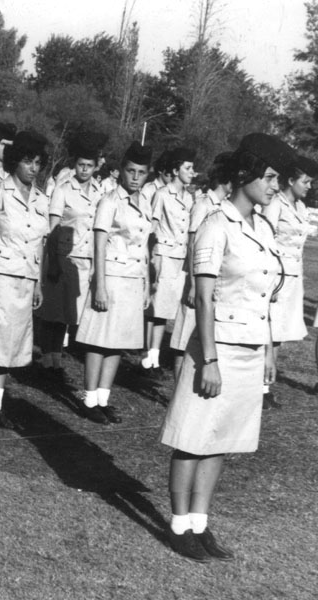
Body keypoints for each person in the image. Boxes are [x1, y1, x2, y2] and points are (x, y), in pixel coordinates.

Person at [160, 133, 293, 562]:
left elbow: (265, 297)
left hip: (250, 349)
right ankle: (178, 525)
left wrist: (268, 350)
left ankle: (200, 523)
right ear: (244, 176)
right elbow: (203, 299)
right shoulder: (216, 225)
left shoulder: (262, 227)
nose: (275, 186)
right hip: (215, 349)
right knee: (192, 438)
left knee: (221, 439)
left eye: (277, 179)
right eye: (268, 177)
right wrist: (210, 361)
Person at [0, 131, 49, 428]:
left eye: (37, 163)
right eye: (28, 161)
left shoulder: (41, 198)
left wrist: (38, 282)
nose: (33, 168)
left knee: (9, 344)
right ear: (15, 162)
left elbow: (39, 244)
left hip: (24, 280)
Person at [75, 141, 153, 425]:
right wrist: (100, 285)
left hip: (133, 280)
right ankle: (89, 399)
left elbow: (144, 247)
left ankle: (103, 399)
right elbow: (98, 244)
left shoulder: (145, 202)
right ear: (121, 170)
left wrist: (146, 284)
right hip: (111, 278)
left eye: (141, 172)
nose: (135, 177)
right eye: (131, 171)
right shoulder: (110, 201)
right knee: (98, 341)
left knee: (118, 342)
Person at [36, 133, 104, 382]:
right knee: (53, 313)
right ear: (74, 165)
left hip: (85, 260)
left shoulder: (99, 192)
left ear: (96, 167)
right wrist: (53, 261)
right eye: (80, 165)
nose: (84, 170)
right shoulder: (64, 189)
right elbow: (53, 228)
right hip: (63, 257)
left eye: (89, 166)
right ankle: (47, 360)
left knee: (68, 314)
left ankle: (57, 359)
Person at [169, 153, 233, 378]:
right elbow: (192, 245)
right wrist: (194, 285)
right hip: (195, 281)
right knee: (183, 341)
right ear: (225, 180)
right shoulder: (203, 204)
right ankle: (177, 388)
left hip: (210, 282)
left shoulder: (224, 206)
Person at [262, 155, 317, 408]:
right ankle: (261, 387)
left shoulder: (301, 208)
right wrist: (270, 280)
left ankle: (266, 384)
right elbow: (265, 241)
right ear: (292, 180)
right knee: (269, 330)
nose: (309, 186)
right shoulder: (276, 204)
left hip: (293, 278)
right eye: (306, 181)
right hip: (276, 277)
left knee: (279, 333)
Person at [140, 148, 197, 378]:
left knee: (164, 310)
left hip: (178, 258)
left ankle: (153, 357)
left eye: (192, 168)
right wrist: (148, 260)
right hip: (162, 256)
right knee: (153, 309)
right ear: (175, 170)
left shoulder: (189, 197)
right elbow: (151, 228)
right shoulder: (162, 194)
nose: (192, 172)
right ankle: (147, 358)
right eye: (187, 168)